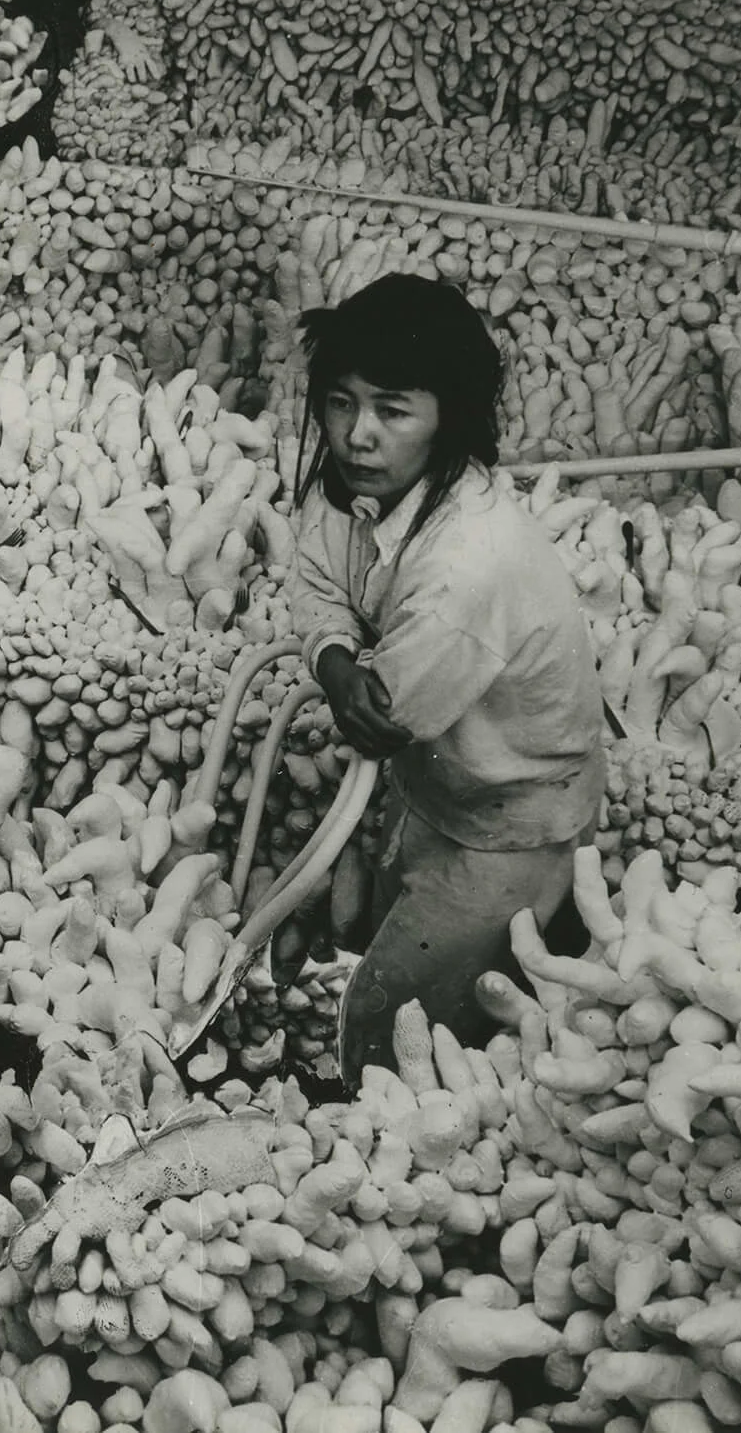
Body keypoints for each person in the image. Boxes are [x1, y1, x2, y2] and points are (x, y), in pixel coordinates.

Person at [285, 273, 606, 1086]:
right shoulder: (358, 486)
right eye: (340, 402)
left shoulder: (467, 565)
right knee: (392, 956)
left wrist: (353, 688)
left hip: (510, 825)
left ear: (445, 420)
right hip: (435, 785)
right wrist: (332, 660)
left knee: (384, 1017)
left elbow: (383, 717)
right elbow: (318, 583)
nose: (359, 435)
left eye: (393, 411)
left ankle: (367, 1119)